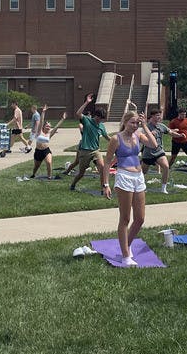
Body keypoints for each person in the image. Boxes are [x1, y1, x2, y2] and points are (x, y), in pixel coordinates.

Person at [101, 111, 160, 266]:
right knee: (125, 218)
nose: (135, 126)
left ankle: (127, 244)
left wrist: (145, 126)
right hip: (124, 177)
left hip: (138, 177)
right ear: (125, 121)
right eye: (132, 123)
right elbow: (107, 162)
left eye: (137, 123)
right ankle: (126, 256)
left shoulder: (138, 135)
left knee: (140, 218)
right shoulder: (116, 138)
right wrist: (105, 184)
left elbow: (154, 145)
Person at [69, 102, 109, 192]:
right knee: (81, 173)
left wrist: (118, 142)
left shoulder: (101, 126)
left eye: (102, 119)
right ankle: (73, 184)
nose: (100, 121)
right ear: (96, 116)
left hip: (96, 151)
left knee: (102, 168)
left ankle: (103, 188)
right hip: (85, 151)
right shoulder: (87, 121)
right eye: (99, 118)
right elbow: (78, 114)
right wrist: (87, 102)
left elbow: (107, 137)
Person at [140, 107, 173, 194]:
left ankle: (163, 188)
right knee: (143, 172)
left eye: (160, 115)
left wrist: (179, 135)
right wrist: (150, 134)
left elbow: (170, 132)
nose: (159, 117)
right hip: (148, 153)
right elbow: (142, 137)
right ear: (152, 116)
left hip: (159, 151)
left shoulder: (161, 126)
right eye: (157, 115)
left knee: (166, 166)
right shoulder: (147, 126)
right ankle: (142, 187)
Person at [31, 112, 69, 179]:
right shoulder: (39, 132)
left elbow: (57, 127)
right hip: (38, 152)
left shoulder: (50, 134)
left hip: (46, 150)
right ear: (43, 127)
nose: (49, 127)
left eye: (49, 126)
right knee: (36, 166)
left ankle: (49, 176)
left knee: (49, 162)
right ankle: (33, 174)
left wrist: (63, 119)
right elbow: (41, 122)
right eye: (47, 126)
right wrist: (43, 112)